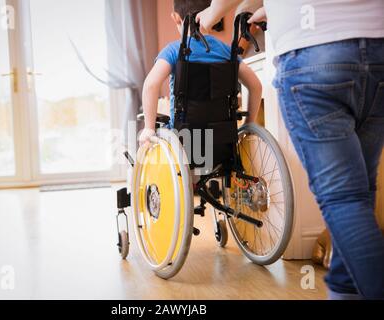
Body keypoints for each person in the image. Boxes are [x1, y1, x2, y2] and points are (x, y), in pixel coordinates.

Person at [198, 0, 384, 300]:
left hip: (314, 54)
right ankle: (344, 292)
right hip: (377, 50)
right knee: (360, 193)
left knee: (345, 199)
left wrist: (210, 14)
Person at [138, 0, 262, 146]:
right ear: (211, 13)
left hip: (184, 138)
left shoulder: (174, 50)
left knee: (153, 137)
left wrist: (149, 128)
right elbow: (256, 86)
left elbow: (151, 85)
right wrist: (249, 123)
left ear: (176, 18)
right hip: (222, 137)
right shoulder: (227, 52)